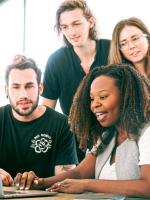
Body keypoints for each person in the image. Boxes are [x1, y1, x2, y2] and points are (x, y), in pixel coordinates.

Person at [15, 64, 150, 198]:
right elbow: (79, 174)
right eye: (92, 99)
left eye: (103, 97)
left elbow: (147, 187)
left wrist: (86, 184)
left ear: (126, 96)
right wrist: (41, 183)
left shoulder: (147, 132)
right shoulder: (108, 136)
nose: (94, 104)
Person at [41, 0, 110, 162]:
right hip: (74, 142)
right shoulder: (56, 60)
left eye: (76, 24)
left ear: (90, 22)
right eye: (64, 27)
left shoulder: (112, 50)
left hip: (114, 135)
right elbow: (46, 111)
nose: (71, 32)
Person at [0, 55, 78, 186]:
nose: (23, 95)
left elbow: (67, 183)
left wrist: (40, 183)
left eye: (29, 86)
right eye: (16, 87)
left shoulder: (62, 124)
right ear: (7, 90)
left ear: (40, 88)